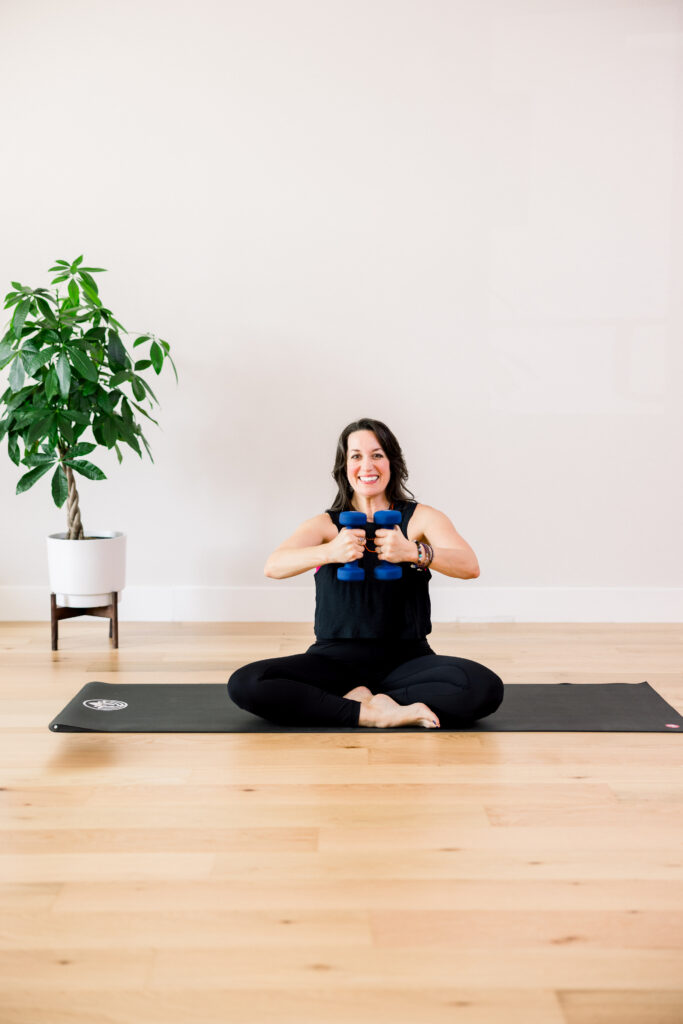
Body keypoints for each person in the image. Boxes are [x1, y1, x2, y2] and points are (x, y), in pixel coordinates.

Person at [227, 418, 504, 729]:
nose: (367, 465)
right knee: (247, 682)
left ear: (391, 462)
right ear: (345, 467)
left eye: (377, 454)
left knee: (484, 688)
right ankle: (371, 712)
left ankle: (359, 699)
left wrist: (413, 551)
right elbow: (274, 566)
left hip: (408, 661)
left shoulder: (420, 519)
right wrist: (328, 552)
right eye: (356, 456)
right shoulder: (326, 525)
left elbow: (469, 565)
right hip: (332, 661)